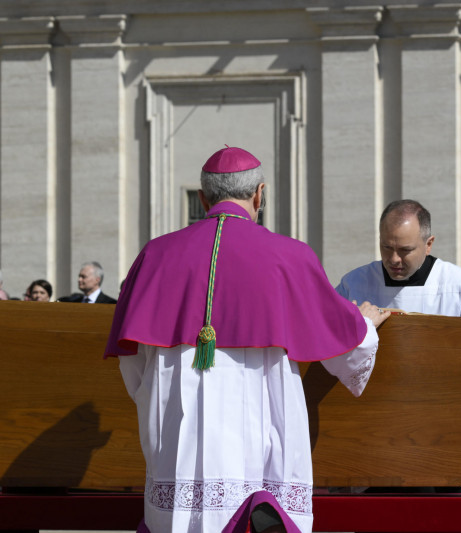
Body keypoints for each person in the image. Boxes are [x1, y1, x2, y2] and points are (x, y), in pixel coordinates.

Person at [106, 146, 388, 533]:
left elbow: (134, 366)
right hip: (260, 440)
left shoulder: (156, 255)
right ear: (259, 195)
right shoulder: (290, 256)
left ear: (203, 199)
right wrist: (367, 324)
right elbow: (346, 347)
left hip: (178, 441)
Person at [335, 199, 461, 317]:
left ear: (428, 244)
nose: (394, 259)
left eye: (405, 250)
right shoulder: (353, 284)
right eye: (387, 247)